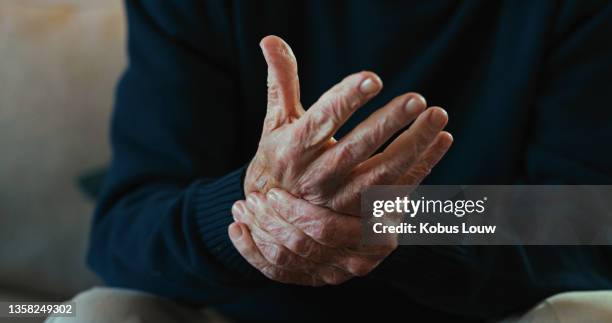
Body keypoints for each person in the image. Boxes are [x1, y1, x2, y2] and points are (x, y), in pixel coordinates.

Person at [48, 1, 612, 322]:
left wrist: (389, 220)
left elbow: (581, 218)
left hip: (487, 313)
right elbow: (126, 228)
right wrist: (257, 211)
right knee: (97, 315)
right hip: (240, 313)